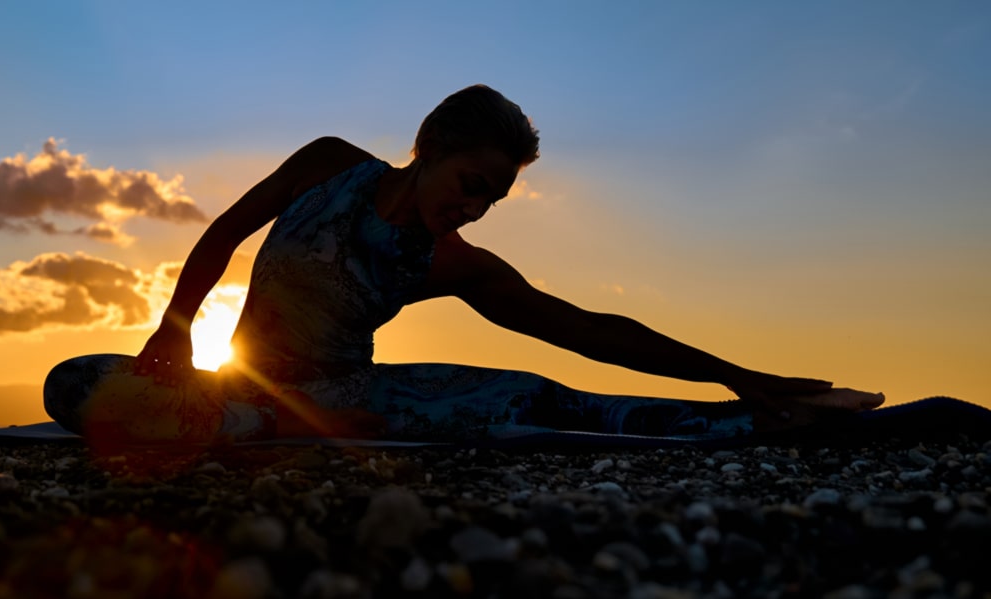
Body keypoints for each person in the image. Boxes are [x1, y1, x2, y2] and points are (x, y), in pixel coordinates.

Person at [47, 84, 883, 444]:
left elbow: (589, 331)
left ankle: (778, 414)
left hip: (349, 400)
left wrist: (740, 376)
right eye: (471, 184)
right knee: (74, 382)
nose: (475, 207)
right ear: (433, 147)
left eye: (493, 200)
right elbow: (223, 234)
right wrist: (174, 327)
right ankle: (248, 423)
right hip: (240, 383)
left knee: (540, 397)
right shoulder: (328, 163)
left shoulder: (451, 261)